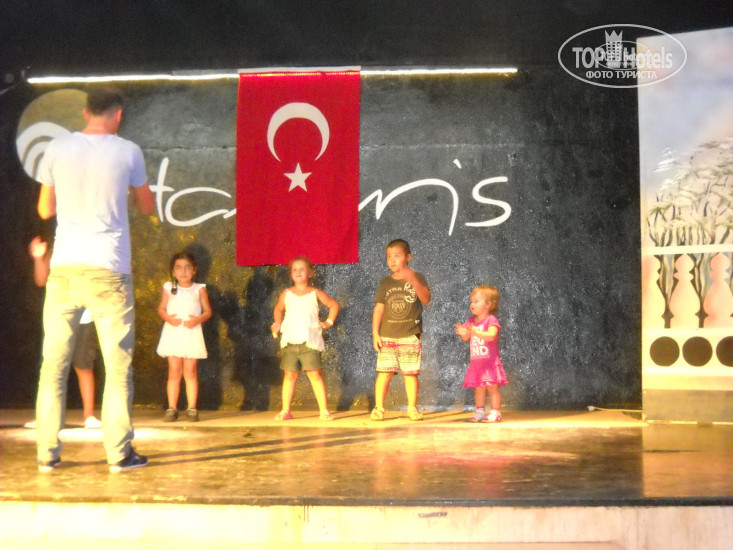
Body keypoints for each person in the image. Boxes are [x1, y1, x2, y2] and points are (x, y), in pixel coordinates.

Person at [35, 87, 155, 472]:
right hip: (109, 269)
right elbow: (147, 205)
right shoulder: (128, 151)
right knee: (117, 369)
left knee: (53, 367)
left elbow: (44, 208)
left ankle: (47, 453)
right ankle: (119, 454)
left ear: (86, 112)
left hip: (65, 268)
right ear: (118, 114)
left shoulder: (56, 148)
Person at [29, 236, 102, 430]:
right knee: (53, 367)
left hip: (84, 316)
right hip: (58, 316)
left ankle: (89, 415)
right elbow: (40, 280)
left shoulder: (89, 249)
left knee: (83, 365)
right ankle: (47, 417)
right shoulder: (55, 251)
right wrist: (38, 258)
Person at [270, 257, 339, 421]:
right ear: (290, 274)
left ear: (310, 273)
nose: (298, 272)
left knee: (315, 374)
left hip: (310, 341)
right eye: (295, 269)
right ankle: (286, 410)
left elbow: (333, 305)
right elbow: (278, 309)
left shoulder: (315, 293)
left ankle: (324, 410)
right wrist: (277, 323)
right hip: (290, 341)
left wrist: (329, 322)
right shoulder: (286, 293)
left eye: (302, 269)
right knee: (289, 375)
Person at [371, 239, 431, 421]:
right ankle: (379, 408)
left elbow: (426, 299)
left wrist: (413, 280)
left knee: (410, 373)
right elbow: (379, 308)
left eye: (397, 256)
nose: (392, 260)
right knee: (384, 372)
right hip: (387, 335)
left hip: (410, 335)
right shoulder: (386, 282)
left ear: (408, 257)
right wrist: (375, 333)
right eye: (389, 256)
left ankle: (412, 408)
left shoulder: (417, 277)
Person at [156, 252, 212, 422]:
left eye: (187, 267)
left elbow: (208, 311)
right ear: (173, 271)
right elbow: (161, 309)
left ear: (194, 270)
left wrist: (197, 320)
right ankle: (172, 408)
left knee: (190, 371)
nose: (183, 271)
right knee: (174, 371)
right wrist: (168, 318)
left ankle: (192, 408)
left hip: (191, 333)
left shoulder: (199, 289)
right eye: (179, 268)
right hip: (174, 333)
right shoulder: (168, 288)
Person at [455, 285, 507, 423]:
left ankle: (495, 412)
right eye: (471, 301)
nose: (472, 304)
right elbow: (466, 338)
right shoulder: (471, 321)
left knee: (492, 388)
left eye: (476, 301)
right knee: (479, 389)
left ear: (488, 304)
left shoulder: (491, 320)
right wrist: (463, 332)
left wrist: (476, 332)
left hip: (490, 363)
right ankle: (479, 411)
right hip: (477, 363)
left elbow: (491, 335)